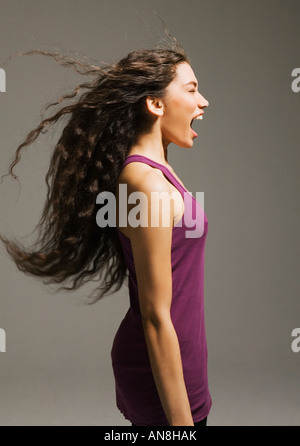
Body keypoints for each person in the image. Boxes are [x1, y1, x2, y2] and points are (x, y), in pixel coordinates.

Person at [0, 42, 211, 426]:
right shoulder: (147, 184)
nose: (204, 102)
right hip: (161, 371)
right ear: (155, 104)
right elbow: (155, 315)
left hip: (182, 363)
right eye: (192, 89)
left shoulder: (157, 173)